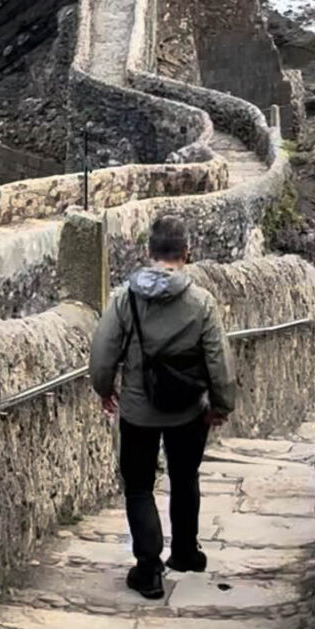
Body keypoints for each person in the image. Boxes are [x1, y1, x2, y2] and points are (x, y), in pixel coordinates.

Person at [88, 212, 234, 599]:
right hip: (188, 409)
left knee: (138, 486)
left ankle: (149, 569)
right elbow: (219, 360)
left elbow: (103, 353)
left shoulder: (125, 299)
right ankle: (185, 553)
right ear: (188, 252)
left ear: (147, 251)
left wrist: (104, 388)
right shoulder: (201, 303)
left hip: (137, 410)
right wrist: (221, 403)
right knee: (185, 477)